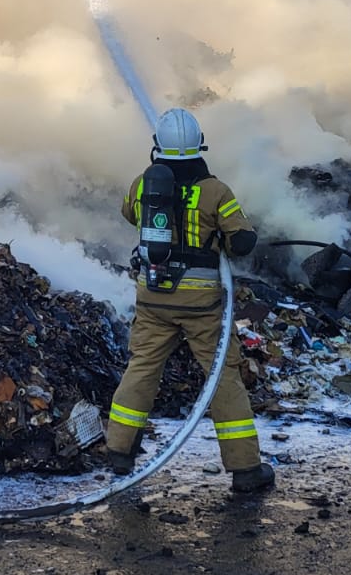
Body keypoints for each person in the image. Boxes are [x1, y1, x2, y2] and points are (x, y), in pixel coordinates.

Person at [104, 107, 275, 494]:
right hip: (202, 308)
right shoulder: (215, 191)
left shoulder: (142, 185)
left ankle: (119, 452)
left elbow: (130, 214)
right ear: (200, 144)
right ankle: (245, 469)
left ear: (158, 146)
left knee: (142, 368)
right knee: (222, 377)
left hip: (154, 299)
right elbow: (242, 241)